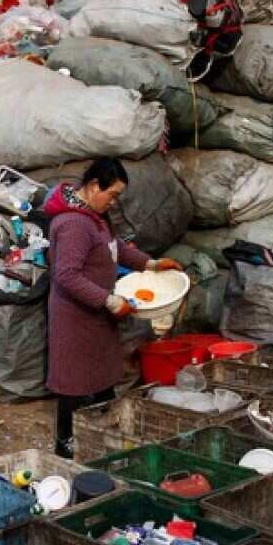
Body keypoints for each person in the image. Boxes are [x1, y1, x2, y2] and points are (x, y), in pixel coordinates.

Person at [45, 158, 182, 457]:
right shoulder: (73, 223)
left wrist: (151, 263)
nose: (114, 201)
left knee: (103, 375)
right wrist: (108, 300)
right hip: (75, 317)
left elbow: (115, 248)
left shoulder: (95, 217)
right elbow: (66, 275)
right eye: (113, 194)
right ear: (95, 186)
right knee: (74, 383)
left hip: (96, 313)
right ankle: (67, 446)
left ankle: (104, 436)